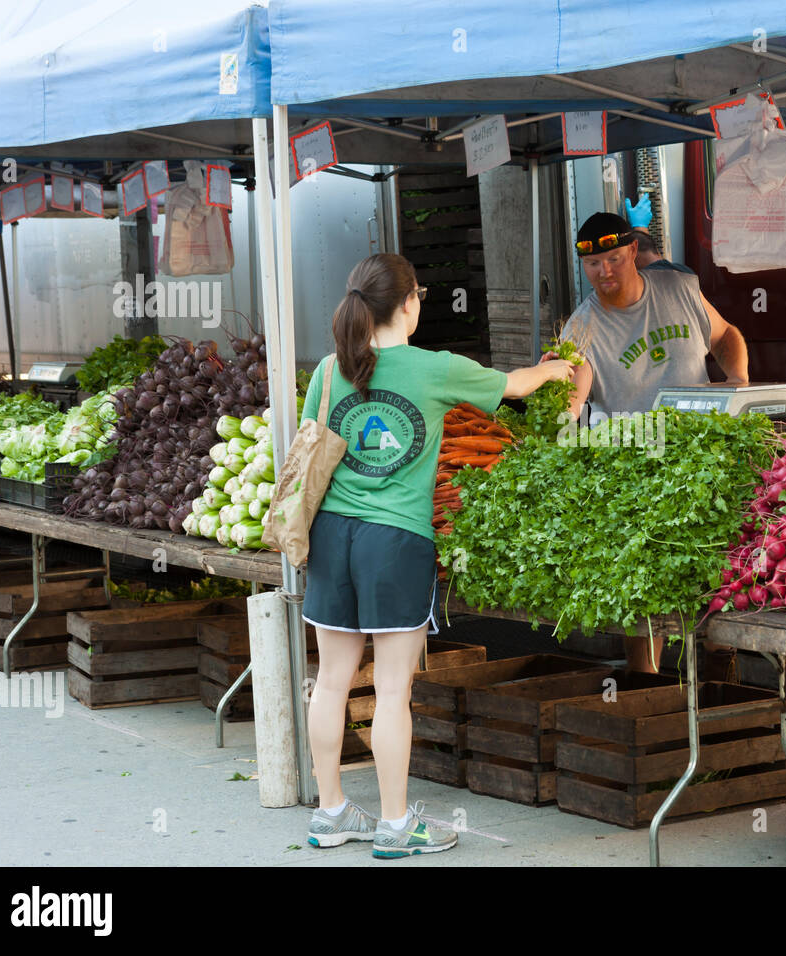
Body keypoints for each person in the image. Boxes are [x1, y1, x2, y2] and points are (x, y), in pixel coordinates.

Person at [300, 253, 574, 858]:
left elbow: (311, 450)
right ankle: (397, 827)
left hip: (329, 538)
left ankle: (331, 814)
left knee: (331, 682)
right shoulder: (436, 368)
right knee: (393, 689)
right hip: (393, 542)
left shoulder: (327, 369)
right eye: (419, 295)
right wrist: (556, 371)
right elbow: (517, 385)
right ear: (409, 304)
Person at [558, 211, 749, 674]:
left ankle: (724, 684)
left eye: (613, 260)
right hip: (639, 475)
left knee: (721, 579)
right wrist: (562, 417)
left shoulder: (679, 290)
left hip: (710, 459)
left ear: (633, 254)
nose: (604, 273)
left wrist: (738, 379)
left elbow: (726, 336)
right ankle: (649, 691)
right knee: (644, 598)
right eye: (593, 265)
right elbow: (572, 398)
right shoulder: (581, 329)